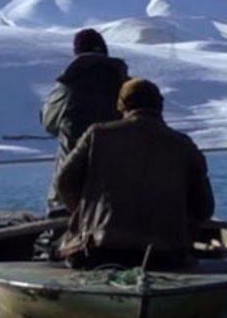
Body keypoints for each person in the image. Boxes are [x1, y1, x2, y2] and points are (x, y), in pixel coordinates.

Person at [54, 78, 215, 270]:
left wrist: (83, 213)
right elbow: (204, 208)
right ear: (160, 106)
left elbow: (63, 182)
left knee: (54, 249)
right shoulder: (185, 145)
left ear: (121, 105)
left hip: (98, 253)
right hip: (165, 258)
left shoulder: (96, 135)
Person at [40, 28, 128, 217]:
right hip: (121, 197)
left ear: (77, 53)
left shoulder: (68, 86)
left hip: (70, 198)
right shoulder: (127, 87)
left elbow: (48, 123)